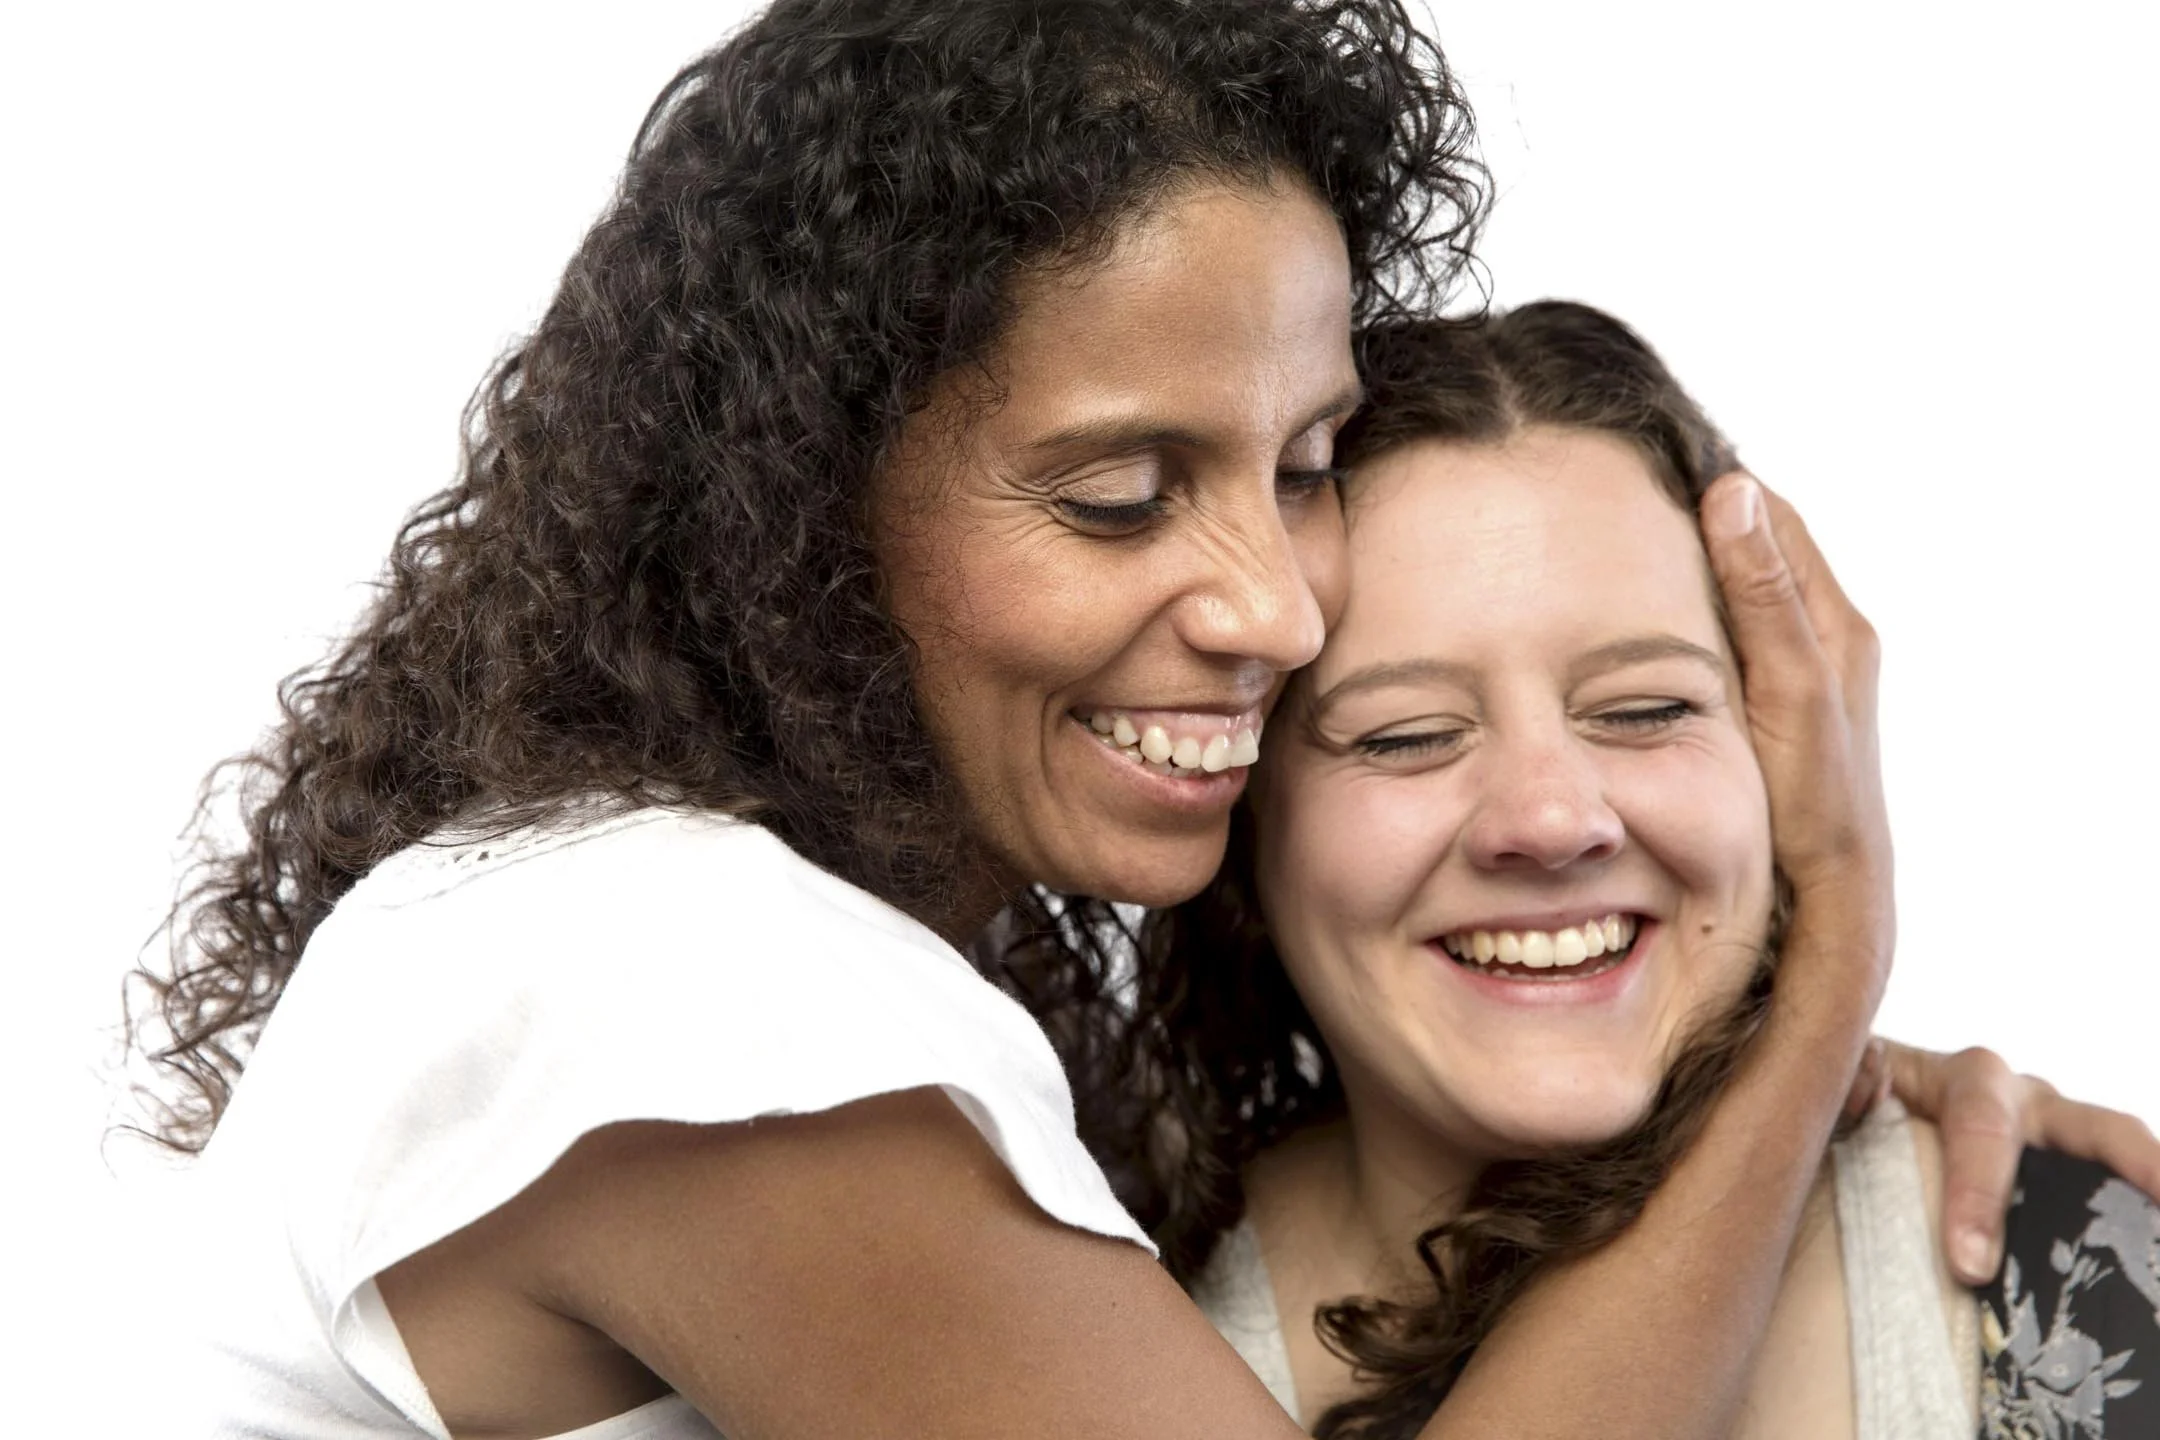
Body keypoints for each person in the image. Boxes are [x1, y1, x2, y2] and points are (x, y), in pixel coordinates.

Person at [127, 3, 2155, 1437]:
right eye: (1116, 495)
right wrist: (1819, 979)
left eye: (1301, 463)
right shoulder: (674, 991)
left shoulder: (922, 1066)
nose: (1276, 609)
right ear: (794, 504)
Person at [1165, 301, 2160, 1438]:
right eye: (1405, 734)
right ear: (1243, 818)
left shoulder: (2093, 1278)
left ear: (1786, 763)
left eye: (1645, 710)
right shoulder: (1092, 1310)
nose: (1550, 817)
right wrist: (1839, 950)